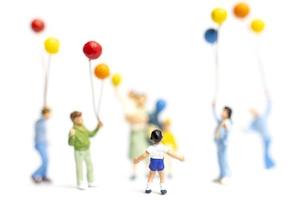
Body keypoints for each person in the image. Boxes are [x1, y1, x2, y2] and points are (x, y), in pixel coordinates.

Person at [134, 129, 184, 195]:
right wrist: (179, 157)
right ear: (162, 138)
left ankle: (148, 188)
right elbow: (171, 154)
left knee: (151, 175)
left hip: (153, 163)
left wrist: (137, 159)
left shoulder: (150, 148)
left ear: (151, 139)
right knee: (162, 175)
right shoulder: (164, 147)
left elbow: (144, 155)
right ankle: (162, 188)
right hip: (160, 163)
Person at [68, 111, 103, 190]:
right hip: (79, 151)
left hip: (87, 150)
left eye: (81, 117)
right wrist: (72, 136)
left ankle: (91, 181)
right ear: (74, 120)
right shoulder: (73, 130)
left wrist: (98, 127)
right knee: (79, 168)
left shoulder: (83, 127)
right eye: (78, 118)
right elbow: (70, 143)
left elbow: (91, 134)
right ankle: (79, 183)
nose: (81, 119)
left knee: (90, 166)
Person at [248, 92, 275, 169]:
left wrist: (269, 99)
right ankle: (270, 165)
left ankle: (270, 165)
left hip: (268, 137)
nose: (255, 113)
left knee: (266, 153)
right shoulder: (254, 122)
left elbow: (269, 108)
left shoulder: (263, 117)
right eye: (252, 112)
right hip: (264, 138)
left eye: (255, 111)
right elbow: (249, 129)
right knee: (266, 152)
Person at [212, 101, 233, 184]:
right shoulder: (221, 121)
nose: (222, 113)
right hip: (219, 143)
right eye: (222, 111)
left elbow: (228, 129)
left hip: (223, 144)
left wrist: (226, 127)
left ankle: (226, 175)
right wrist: (213, 108)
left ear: (228, 114)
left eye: (224, 111)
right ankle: (221, 175)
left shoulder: (227, 122)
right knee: (220, 160)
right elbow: (215, 117)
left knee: (224, 160)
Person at [32, 107, 52, 184]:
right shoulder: (40, 122)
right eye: (49, 114)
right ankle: (34, 175)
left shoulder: (43, 121)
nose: (50, 115)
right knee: (45, 160)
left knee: (47, 160)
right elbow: (39, 135)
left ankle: (44, 176)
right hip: (40, 143)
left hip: (43, 143)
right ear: (45, 113)